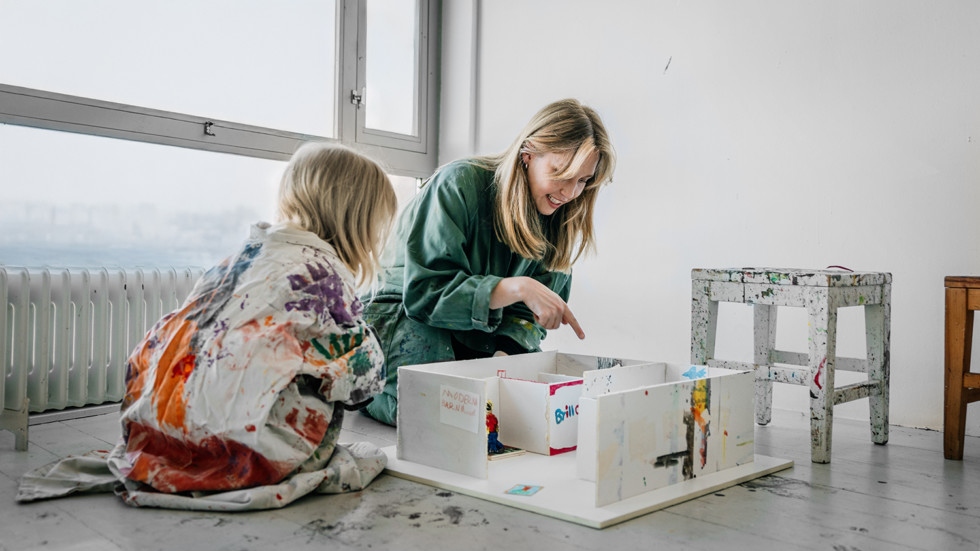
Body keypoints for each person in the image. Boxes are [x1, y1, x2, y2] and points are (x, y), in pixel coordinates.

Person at [17, 142, 399, 510]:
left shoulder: (238, 260)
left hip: (156, 436)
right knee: (355, 352)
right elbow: (363, 383)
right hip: (243, 454)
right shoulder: (325, 275)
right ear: (356, 222)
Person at [362, 98, 616, 426]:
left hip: (478, 331)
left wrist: (503, 363)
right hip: (404, 314)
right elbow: (426, 294)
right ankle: (367, 389)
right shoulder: (458, 183)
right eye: (560, 173)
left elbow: (527, 319)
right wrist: (514, 287)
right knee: (430, 419)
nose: (570, 192)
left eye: (583, 180)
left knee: (512, 414)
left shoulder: (560, 218)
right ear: (528, 155)